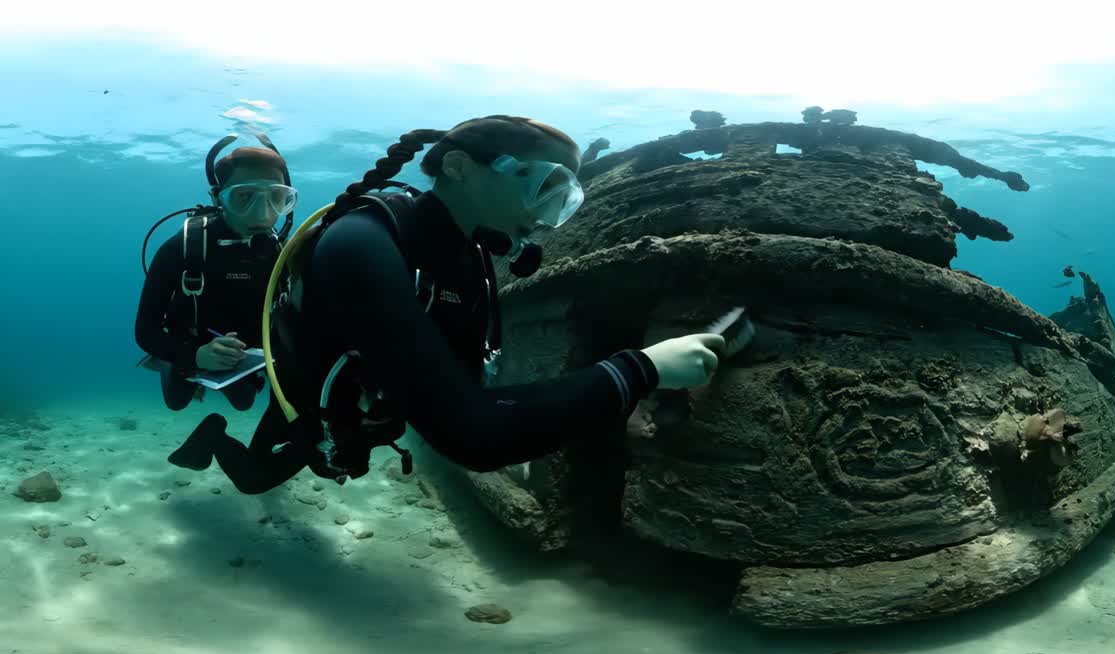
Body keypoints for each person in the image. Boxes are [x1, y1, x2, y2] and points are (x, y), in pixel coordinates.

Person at [167, 115, 724, 496]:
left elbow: (468, 392)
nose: (549, 213)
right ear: (458, 167)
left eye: (566, 200)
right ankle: (214, 433)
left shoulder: (472, 254)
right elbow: (472, 435)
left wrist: (530, 423)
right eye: (545, 187)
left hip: (370, 408)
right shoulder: (361, 242)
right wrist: (644, 367)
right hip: (315, 407)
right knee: (256, 479)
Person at [134, 133, 297, 412]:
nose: (262, 213)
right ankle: (169, 365)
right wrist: (194, 355)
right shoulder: (182, 249)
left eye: (276, 198)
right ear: (217, 197)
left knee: (244, 403)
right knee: (176, 402)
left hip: (245, 352)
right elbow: (145, 331)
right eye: (244, 197)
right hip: (189, 342)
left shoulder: (284, 253)